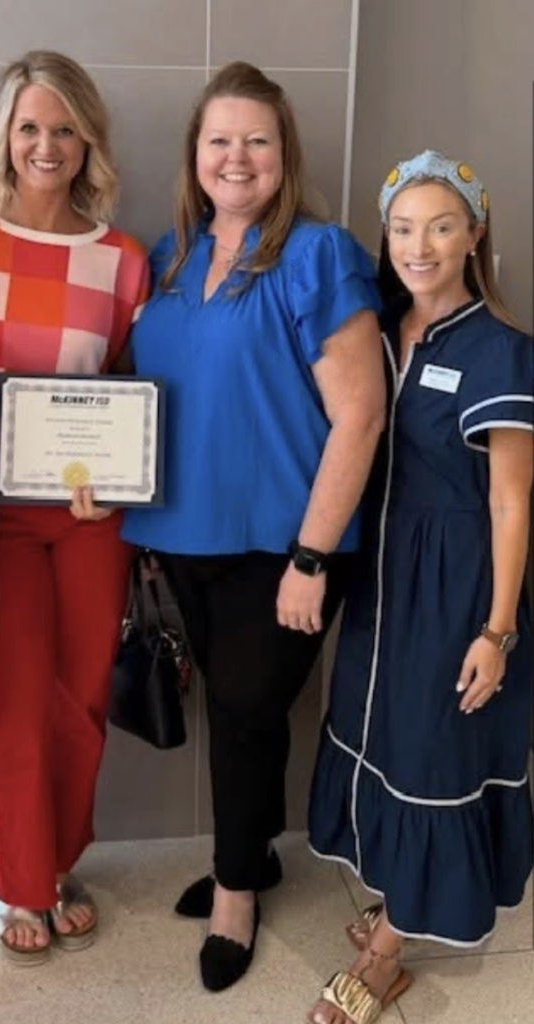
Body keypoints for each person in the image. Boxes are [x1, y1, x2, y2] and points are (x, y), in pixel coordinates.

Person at [121, 61, 386, 992]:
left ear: (284, 155)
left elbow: (360, 415)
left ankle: (237, 891)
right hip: (184, 535)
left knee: (242, 709)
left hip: (287, 542)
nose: (237, 157)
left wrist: (311, 556)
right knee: (243, 713)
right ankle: (256, 853)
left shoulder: (318, 255)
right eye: (219, 140)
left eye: (257, 140)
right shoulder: (167, 257)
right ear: (195, 155)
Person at [307, 151, 534, 1024]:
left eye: (440, 226)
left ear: (473, 234)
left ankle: (389, 952)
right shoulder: (377, 329)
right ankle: (399, 894)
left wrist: (497, 629)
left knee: (435, 751)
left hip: (455, 585)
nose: (419, 245)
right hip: (382, 574)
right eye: (402, 228)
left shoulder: (501, 352)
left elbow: (512, 500)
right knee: (385, 736)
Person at [0, 50, 149, 962]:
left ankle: (56, 863)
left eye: (64, 128)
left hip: (88, 515)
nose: (46, 144)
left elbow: (128, 387)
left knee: (82, 693)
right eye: (30, 126)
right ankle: (18, 884)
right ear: (4, 136)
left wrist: (120, 481)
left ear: (87, 139)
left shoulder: (120, 259)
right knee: (11, 701)